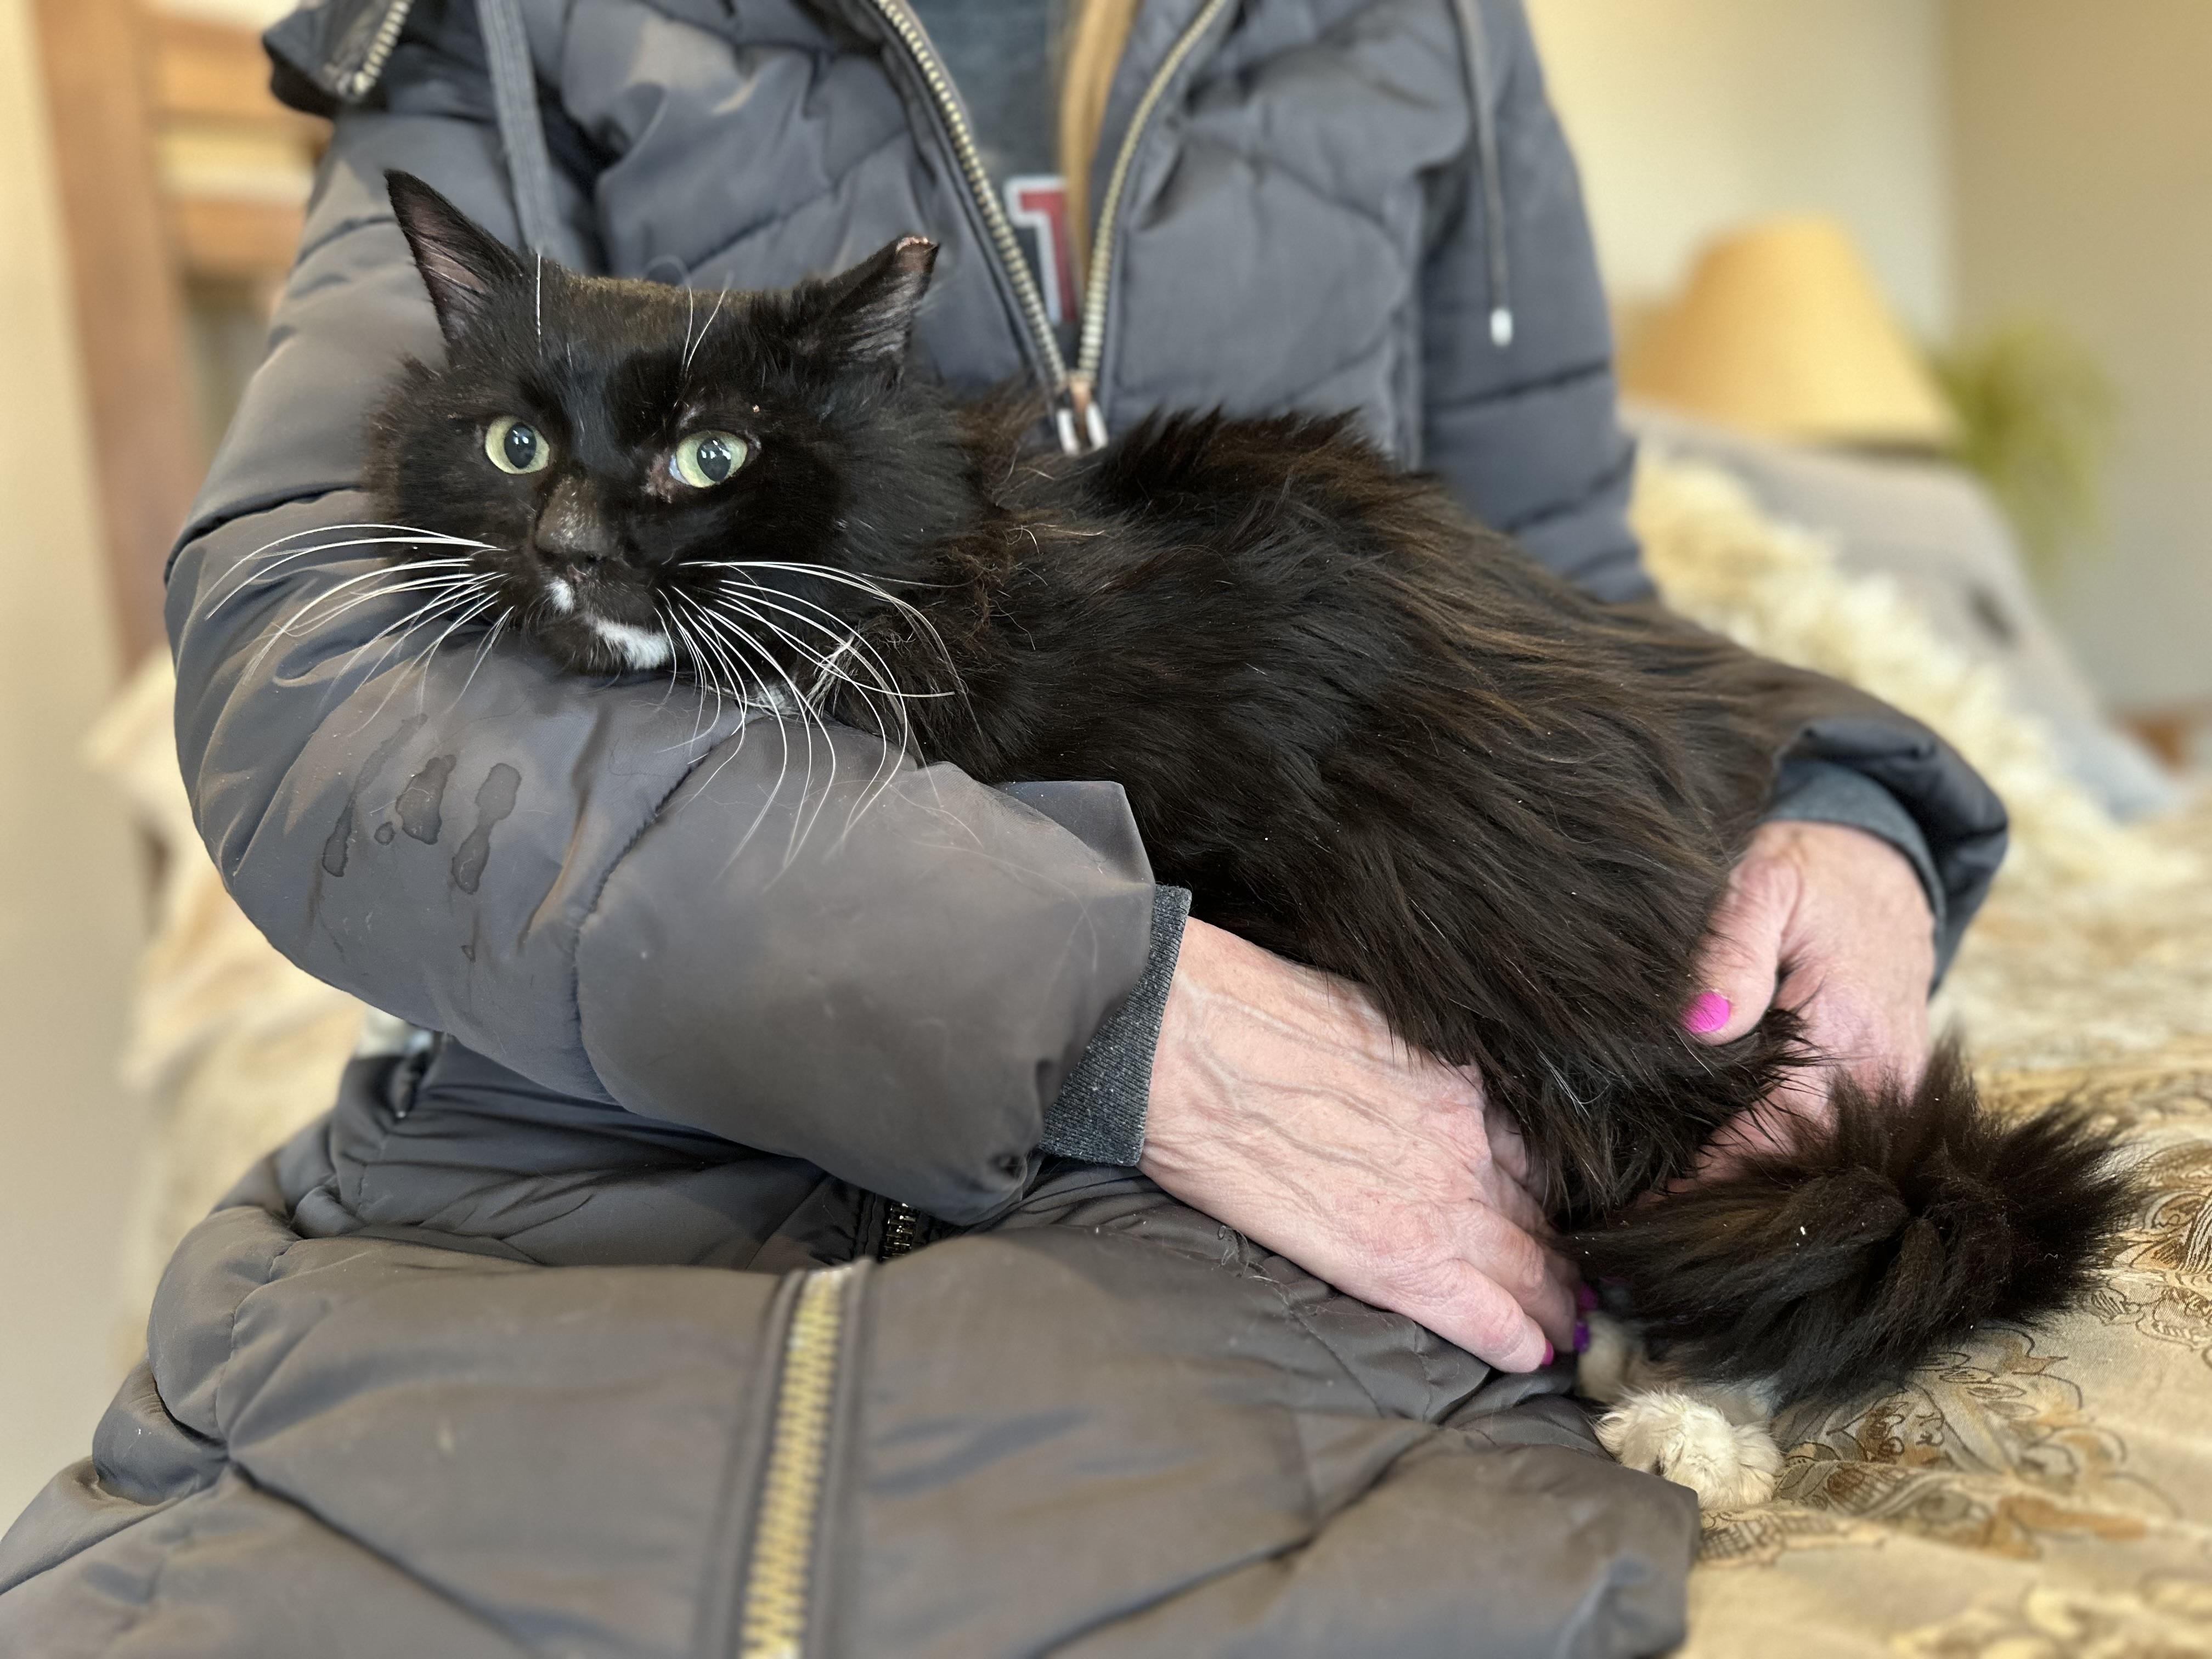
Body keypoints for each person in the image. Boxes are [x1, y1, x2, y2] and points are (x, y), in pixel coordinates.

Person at [0, 0, 2004, 1650]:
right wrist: (1097, 1006)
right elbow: (308, 675)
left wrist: (1845, 800)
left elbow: (1561, 577)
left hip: (1322, 908)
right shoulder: (487, 32)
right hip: (614, 1080)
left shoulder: (1439, 28)